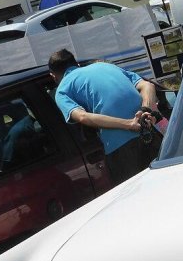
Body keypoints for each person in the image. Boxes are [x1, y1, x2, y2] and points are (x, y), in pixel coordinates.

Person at [49, 49, 160, 185]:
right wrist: (145, 111)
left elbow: (82, 117)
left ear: (53, 76)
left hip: (120, 148)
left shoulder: (62, 91)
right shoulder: (106, 66)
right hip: (151, 134)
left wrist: (130, 124)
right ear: (77, 64)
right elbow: (148, 85)